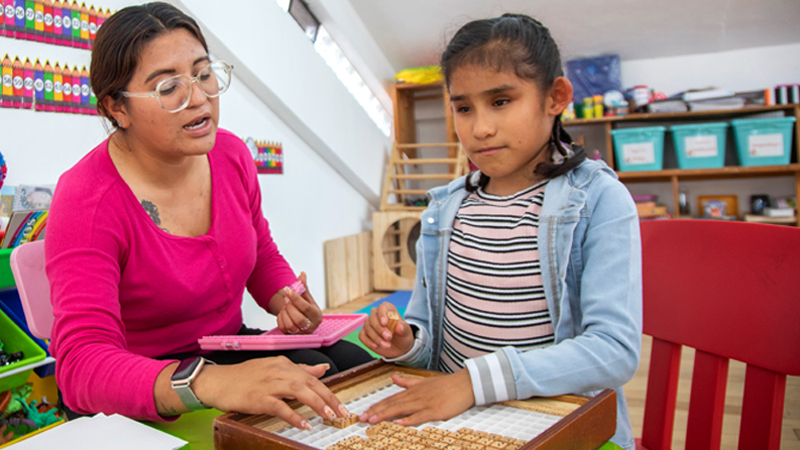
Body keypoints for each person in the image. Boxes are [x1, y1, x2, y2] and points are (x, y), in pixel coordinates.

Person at [45, 2, 372, 428]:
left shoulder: (231, 154)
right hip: (141, 383)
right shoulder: (87, 199)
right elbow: (82, 367)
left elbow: (260, 252)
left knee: (349, 367)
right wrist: (205, 382)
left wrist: (288, 299)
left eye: (203, 74)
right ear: (116, 108)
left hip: (225, 349)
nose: (199, 98)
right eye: (168, 88)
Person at [358, 14, 641, 450]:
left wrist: (472, 383)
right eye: (463, 107)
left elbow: (613, 351)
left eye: (502, 101)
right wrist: (406, 342)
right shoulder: (445, 208)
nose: (480, 128)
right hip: (453, 422)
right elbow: (427, 330)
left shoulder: (598, 200)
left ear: (555, 97)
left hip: (550, 423)